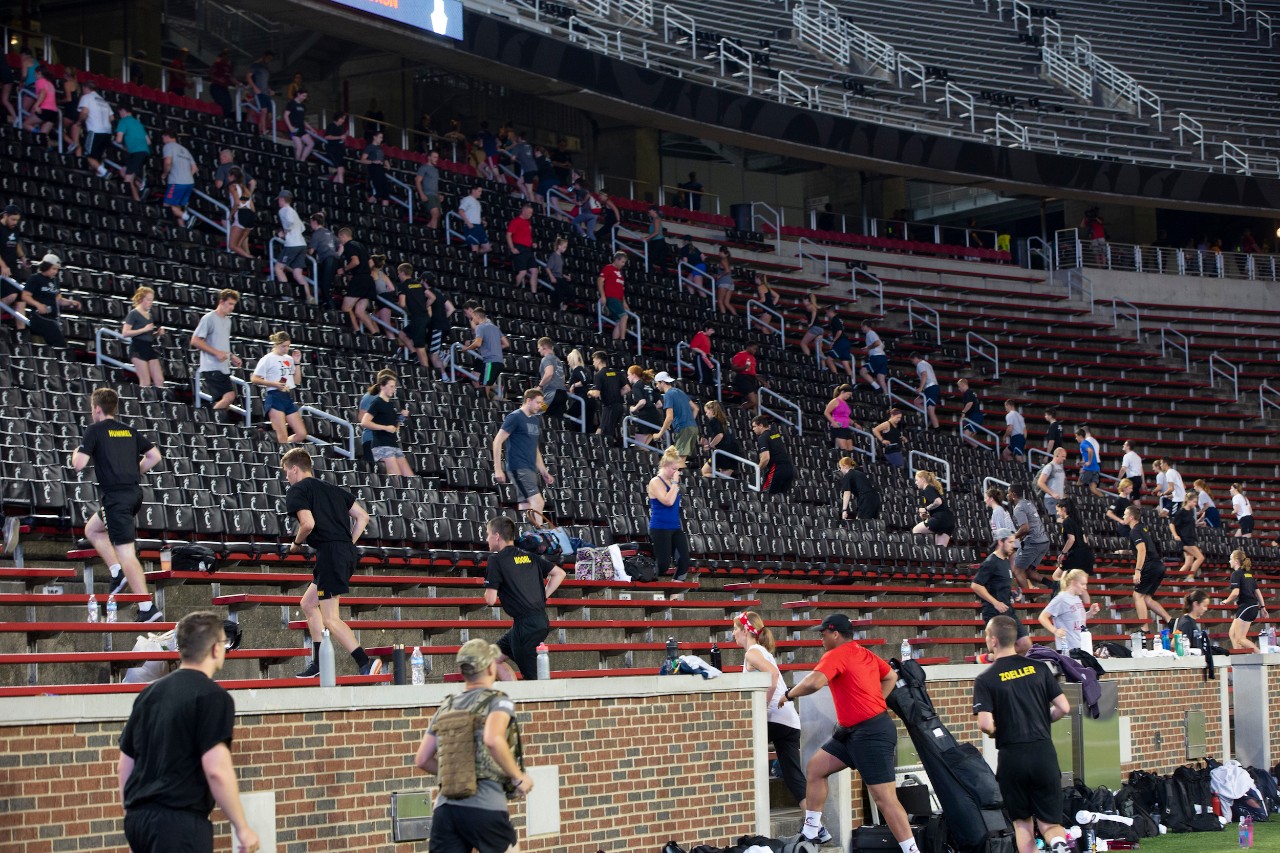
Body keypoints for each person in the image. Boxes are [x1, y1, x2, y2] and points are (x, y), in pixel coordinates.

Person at [118, 611, 260, 853]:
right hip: (179, 824)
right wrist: (242, 827)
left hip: (138, 822)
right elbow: (216, 769)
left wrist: (135, 817)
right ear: (215, 648)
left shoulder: (148, 694)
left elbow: (124, 766)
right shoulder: (212, 696)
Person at [784, 614, 920, 850]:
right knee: (816, 768)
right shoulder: (863, 652)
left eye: (823, 633)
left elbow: (814, 682)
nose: (821, 639)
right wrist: (875, 702)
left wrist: (789, 694)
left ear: (835, 634)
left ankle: (912, 850)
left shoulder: (837, 654)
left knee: (884, 798)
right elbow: (891, 676)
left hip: (871, 734)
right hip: (850, 733)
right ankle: (813, 830)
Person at [412, 638, 532, 852]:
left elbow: (422, 759)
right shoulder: (498, 701)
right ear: (490, 667)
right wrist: (518, 776)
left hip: (445, 809)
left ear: (462, 671)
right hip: (485, 806)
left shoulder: (447, 706)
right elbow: (493, 739)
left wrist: (460, 773)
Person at [973, 615, 1072, 853]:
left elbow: (985, 724)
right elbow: (1063, 708)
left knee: (1022, 823)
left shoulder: (985, 679)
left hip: (1012, 756)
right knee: (1050, 823)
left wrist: (997, 730)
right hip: (1043, 752)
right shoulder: (1040, 668)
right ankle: (1059, 844)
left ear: (993, 640)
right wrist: (1041, 719)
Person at [282, 448, 382, 678]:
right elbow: (363, 517)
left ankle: (365, 663)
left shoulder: (297, 490)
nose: (286, 477)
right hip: (343, 552)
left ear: (295, 469)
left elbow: (307, 524)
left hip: (330, 553)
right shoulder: (333, 488)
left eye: (286, 472)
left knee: (330, 618)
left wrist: (296, 544)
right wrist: (347, 543)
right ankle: (319, 663)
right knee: (308, 604)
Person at [72, 387, 164, 620]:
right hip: (133, 495)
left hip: (116, 499)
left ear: (97, 409)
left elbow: (79, 464)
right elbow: (155, 456)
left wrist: (77, 450)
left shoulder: (94, 430)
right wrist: (135, 471)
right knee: (93, 529)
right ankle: (117, 572)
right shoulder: (128, 430)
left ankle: (147, 608)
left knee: (127, 553)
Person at [733, 611, 805, 807]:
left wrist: (761, 708)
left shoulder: (752, 653)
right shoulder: (763, 652)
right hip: (790, 721)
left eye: (735, 628)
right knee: (794, 777)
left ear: (745, 631)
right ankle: (815, 821)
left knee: (739, 753)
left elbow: (773, 675)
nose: (733, 633)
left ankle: (749, 810)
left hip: (773, 719)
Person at [484, 515, 565, 679]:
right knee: (492, 659)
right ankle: (512, 693)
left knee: (534, 680)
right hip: (539, 621)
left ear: (497, 536)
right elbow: (560, 573)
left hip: (525, 627)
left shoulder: (496, 560)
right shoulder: (530, 557)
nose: (487, 539)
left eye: (488, 534)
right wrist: (543, 596)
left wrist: (488, 587)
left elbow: (490, 600)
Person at [493, 388, 554, 513]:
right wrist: (498, 469)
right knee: (538, 503)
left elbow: (535, 448)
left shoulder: (535, 420)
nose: (540, 406)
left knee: (526, 506)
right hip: (518, 467)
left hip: (530, 468)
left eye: (541, 403)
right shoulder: (515, 417)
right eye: (538, 402)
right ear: (528, 400)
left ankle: (524, 525)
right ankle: (537, 527)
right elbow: (497, 441)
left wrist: (543, 471)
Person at [973, 531, 1032, 656]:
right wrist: (995, 602)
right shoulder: (991, 562)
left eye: (1013, 542)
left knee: (1025, 644)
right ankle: (991, 658)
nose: (1013, 546)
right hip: (994, 612)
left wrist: (1014, 593)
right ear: (1000, 542)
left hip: (1008, 610)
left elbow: (1000, 584)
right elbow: (976, 585)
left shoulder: (1006, 560)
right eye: (1010, 542)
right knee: (1000, 648)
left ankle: (990, 658)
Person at [250, 332, 306, 445]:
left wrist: (297, 363)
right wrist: (273, 384)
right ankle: (282, 450)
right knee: (282, 436)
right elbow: (254, 378)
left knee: (301, 434)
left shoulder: (289, 359)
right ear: (276, 344)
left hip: (287, 397)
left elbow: (296, 381)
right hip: (274, 396)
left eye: (288, 346)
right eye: (283, 346)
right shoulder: (268, 358)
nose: (286, 349)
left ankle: (282, 448)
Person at [190, 289, 242, 412]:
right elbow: (195, 340)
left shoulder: (228, 321)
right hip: (212, 366)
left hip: (223, 366)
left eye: (233, 305)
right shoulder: (209, 318)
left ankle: (213, 420)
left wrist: (231, 356)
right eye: (230, 304)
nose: (232, 307)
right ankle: (208, 418)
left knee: (224, 403)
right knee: (229, 396)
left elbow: (221, 344)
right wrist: (216, 353)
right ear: (221, 302)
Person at [360, 374, 415, 478]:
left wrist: (401, 417)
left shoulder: (391, 404)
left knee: (410, 478)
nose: (394, 389)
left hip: (393, 444)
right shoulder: (376, 403)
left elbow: (394, 427)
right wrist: (385, 428)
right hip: (382, 445)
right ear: (382, 386)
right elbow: (364, 422)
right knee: (396, 478)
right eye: (391, 386)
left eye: (394, 387)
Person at [1124, 506, 1170, 630]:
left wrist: (1137, 571)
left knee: (1137, 596)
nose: (1123, 517)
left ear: (1131, 517)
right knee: (1147, 598)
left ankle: (1144, 630)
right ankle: (1170, 620)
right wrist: (1125, 551)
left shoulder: (1134, 531)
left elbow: (1142, 550)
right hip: (1158, 565)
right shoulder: (1142, 528)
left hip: (1150, 566)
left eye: (1125, 514)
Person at [648, 450, 691, 581]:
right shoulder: (656, 481)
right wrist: (675, 484)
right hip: (660, 527)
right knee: (663, 564)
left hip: (675, 526)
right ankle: (642, 576)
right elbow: (668, 501)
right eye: (674, 469)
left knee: (684, 561)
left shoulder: (672, 483)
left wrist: (674, 484)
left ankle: (676, 589)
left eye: (677, 469)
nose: (676, 472)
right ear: (665, 465)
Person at [22, 253, 81, 348]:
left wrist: (70, 302)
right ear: (45, 266)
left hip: (52, 317)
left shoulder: (55, 281)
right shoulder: (35, 278)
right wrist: (38, 305)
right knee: (59, 342)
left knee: (58, 339)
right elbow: (25, 296)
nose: (55, 272)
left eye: (57, 269)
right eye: (53, 269)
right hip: (39, 317)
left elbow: (58, 300)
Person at [1038, 569, 1100, 652]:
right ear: (1073, 582)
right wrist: (1055, 631)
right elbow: (1042, 617)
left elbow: (1077, 620)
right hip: (1068, 649)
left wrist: (1090, 613)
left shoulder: (1076, 598)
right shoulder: (1061, 598)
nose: (1085, 587)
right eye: (1082, 584)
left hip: (1080, 646)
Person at [122, 286, 166, 390]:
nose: (151, 302)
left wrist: (157, 334)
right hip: (138, 348)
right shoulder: (133, 313)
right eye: (148, 300)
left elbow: (148, 336)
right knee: (145, 382)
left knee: (159, 380)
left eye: (152, 300)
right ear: (141, 299)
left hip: (149, 347)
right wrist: (144, 329)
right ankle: (143, 400)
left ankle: (158, 399)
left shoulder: (149, 314)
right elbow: (125, 333)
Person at [1008, 483, 1049, 593]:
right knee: (1029, 572)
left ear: (1013, 495)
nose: (1007, 495)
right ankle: (1054, 585)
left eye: (1008, 493)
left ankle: (1028, 597)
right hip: (1044, 541)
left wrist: (1013, 537)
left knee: (1017, 570)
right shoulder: (1028, 503)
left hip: (1034, 542)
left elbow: (1025, 528)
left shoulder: (1018, 508)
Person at [1223, 550, 1267, 651]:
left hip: (1246, 607)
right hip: (1252, 607)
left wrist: (1226, 601)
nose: (1229, 561)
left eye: (1230, 559)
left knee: (1240, 639)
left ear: (1236, 561)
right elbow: (1257, 592)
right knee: (1232, 633)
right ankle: (1240, 656)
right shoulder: (1248, 574)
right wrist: (1263, 607)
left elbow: (1235, 592)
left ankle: (1261, 655)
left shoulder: (1236, 574)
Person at [337, 227, 377, 336]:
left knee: (346, 307)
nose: (340, 240)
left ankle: (357, 331)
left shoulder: (348, 246)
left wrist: (344, 270)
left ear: (342, 236)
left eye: (339, 238)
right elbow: (371, 263)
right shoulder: (360, 245)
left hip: (359, 280)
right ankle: (375, 333)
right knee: (359, 311)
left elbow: (355, 262)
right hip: (368, 280)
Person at [272, 190, 311, 298]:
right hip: (302, 244)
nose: (278, 202)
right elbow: (302, 228)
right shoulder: (293, 211)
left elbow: (290, 222)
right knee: (298, 274)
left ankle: (287, 296)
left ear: (282, 199)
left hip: (292, 245)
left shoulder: (283, 210)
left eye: (279, 199)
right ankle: (309, 297)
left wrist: (284, 233)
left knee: (278, 268)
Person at [653, 371, 699, 460]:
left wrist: (659, 434)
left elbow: (669, 417)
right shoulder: (680, 391)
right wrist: (689, 421)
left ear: (662, 382)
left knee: (678, 461)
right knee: (680, 459)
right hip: (693, 427)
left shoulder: (668, 395)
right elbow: (696, 408)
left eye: (657, 383)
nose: (656, 386)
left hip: (684, 428)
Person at [396, 263, 432, 368]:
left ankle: (426, 369)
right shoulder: (419, 284)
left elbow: (402, 304)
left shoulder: (403, 286)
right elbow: (430, 297)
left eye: (398, 273)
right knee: (402, 334)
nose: (398, 275)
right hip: (425, 317)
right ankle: (414, 353)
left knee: (420, 347)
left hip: (418, 319)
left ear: (402, 273)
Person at [77, 80, 114, 178]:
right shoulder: (103, 100)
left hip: (95, 130)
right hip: (107, 132)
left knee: (88, 156)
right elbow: (112, 118)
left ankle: (105, 172)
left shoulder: (86, 97)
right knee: (97, 156)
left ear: (85, 88)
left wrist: (79, 122)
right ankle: (99, 175)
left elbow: (84, 112)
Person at [113, 104, 150, 203]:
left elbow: (119, 139)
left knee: (127, 181)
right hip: (144, 152)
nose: (120, 115)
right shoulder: (138, 123)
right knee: (123, 171)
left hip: (136, 153)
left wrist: (116, 142)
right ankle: (139, 184)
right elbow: (148, 142)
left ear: (123, 110)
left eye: (120, 112)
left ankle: (137, 201)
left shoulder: (123, 121)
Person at [1054, 499, 1094, 586]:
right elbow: (1085, 540)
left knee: (1056, 576)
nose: (1057, 513)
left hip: (1076, 555)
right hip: (1086, 555)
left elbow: (1071, 539)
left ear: (1063, 509)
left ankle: (1068, 591)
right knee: (1080, 584)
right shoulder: (1076, 521)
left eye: (1058, 510)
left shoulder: (1067, 521)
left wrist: (1063, 554)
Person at [587, 350, 626, 440]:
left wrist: (589, 392)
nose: (593, 363)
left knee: (606, 433)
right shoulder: (616, 372)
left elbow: (596, 394)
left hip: (609, 407)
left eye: (594, 360)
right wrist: (616, 394)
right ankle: (596, 444)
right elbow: (627, 388)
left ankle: (604, 447)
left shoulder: (599, 375)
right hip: (620, 407)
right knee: (602, 428)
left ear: (599, 360)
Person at [753, 415, 796, 496]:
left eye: (754, 426)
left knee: (767, 497)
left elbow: (766, 458)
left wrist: (758, 469)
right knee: (783, 498)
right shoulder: (776, 434)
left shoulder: (763, 437)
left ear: (761, 425)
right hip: (789, 469)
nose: (753, 429)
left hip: (777, 469)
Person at [700, 400, 742, 479]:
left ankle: (717, 482)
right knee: (724, 479)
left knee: (704, 471)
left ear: (711, 410)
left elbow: (720, 435)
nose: (706, 414)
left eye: (706, 412)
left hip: (724, 451)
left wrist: (710, 446)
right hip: (734, 451)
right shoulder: (725, 420)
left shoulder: (713, 420)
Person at [912, 470, 954, 546]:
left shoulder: (928, 489)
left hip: (940, 519)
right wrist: (927, 516)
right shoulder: (932, 489)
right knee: (940, 548)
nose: (915, 482)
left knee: (916, 530)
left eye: (917, 480)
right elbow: (939, 508)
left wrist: (925, 509)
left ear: (923, 479)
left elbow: (938, 501)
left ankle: (921, 551)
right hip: (949, 521)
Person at [597, 251, 631, 341]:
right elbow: (600, 281)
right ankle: (623, 339)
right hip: (611, 298)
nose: (623, 264)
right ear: (616, 260)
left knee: (619, 322)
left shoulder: (620, 273)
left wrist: (624, 303)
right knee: (624, 316)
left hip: (618, 300)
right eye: (622, 262)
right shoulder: (608, 268)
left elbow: (621, 290)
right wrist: (603, 296)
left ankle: (615, 342)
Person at [506, 203, 539, 293]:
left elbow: (526, 236)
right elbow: (508, 235)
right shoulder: (515, 221)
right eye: (529, 212)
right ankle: (513, 290)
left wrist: (532, 243)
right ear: (523, 211)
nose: (530, 215)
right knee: (523, 272)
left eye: (531, 213)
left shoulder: (528, 223)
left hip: (528, 249)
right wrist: (512, 248)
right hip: (519, 248)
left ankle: (534, 293)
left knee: (535, 271)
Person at [1169, 495, 1204, 579]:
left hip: (1190, 538)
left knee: (1188, 563)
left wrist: (1199, 523)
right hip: (1185, 540)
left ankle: (1176, 580)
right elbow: (1172, 524)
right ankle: (1190, 577)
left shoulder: (1191, 511)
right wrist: (1175, 535)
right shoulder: (1181, 512)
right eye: (1194, 502)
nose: (1195, 504)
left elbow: (1188, 525)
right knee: (1200, 558)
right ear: (1188, 501)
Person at [225, 167, 255, 260]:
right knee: (239, 246)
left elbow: (237, 203)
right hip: (251, 216)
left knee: (232, 245)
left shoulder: (232, 186)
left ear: (232, 176)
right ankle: (249, 263)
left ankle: (251, 258)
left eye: (228, 175)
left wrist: (231, 214)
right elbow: (253, 207)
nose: (227, 177)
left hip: (241, 214)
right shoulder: (245, 188)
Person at [838, 457, 881, 521]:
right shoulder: (860, 473)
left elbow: (847, 493)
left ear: (845, 466)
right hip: (875, 498)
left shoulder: (848, 475)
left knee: (863, 522)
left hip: (866, 499)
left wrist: (844, 510)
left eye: (840, 467)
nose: (840, 470)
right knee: (871, 522)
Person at [536, 338, 569, 421]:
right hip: (563, 395)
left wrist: (540, 386)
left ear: (544, 347)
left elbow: (549, 373)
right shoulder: (558, 360)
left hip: (552, 394)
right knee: (556, 420)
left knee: (538, 412)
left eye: (539, 348)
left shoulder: (546, 359)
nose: (538, 350)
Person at [245, 50, 274, 137]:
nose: (269, 60)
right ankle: (262, 130)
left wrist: (269, 90)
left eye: (270, 59)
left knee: (269, 114)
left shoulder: (266, 68)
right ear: (264, 56)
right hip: (259, 92)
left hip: (265, 93)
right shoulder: (256, 65)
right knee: (263, 111)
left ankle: (262, 129)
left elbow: (264, 82)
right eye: (268, 58)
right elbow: (248, 76)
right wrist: (254, 87)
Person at [413, 149, 443, 231]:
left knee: (437, 216)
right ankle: (433, 235)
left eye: (437, 157)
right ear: (429, 157)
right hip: (428, 194)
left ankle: (425, 230)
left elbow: (434, 184)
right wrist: (422, 194)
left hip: (435, 195)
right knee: (435, 213)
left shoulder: (436, 170)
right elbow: (417, 181)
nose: (436, 159)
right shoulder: (424, 168)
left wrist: (438, 195)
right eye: (434, 157)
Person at [458, 185, 492, 256]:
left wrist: (481, 221)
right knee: (475, 248)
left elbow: (473, 214)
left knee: (488, 248)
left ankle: (472, 256)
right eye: (479, 191)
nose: (481, 193)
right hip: (471, 226)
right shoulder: (467, 199)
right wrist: (468, 223)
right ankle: (472, 258)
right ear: (473, 191)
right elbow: (461, 211)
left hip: (478, 226)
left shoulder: (477, 202)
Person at [625, 365, 659, 436]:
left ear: (634, 375)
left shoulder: (636, 386)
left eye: (628, 375)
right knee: (653, 440)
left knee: (640, 442)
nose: (627, 377)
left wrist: (634, 409)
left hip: (645, 417)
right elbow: (659, 404)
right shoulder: (648, 384)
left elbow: (642, 401)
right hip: (655, 416)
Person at [857, 319, 888, 393]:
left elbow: (877, 343)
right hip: (882, 357)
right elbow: (881, 345)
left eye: (862, 327)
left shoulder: (870, 333)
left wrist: (868, 348)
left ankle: (877, 387)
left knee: (862, 372)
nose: (861, 328)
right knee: (881, 379)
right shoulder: (873, 334)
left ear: (865, 326)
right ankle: (887, 396)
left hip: (876, 357)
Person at [911, 353, 941, 429]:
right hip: (930, 388)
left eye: (912, 360)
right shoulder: (926, 363)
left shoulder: (920, 364)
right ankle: (929, 415)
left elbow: (924, 375)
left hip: (931, 387)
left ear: (915, 358)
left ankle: (937, 429)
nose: (912, 363)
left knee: (931, 410)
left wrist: (920, 388)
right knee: (917, 402)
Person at [825, 385, 858, 452]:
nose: (848, 396)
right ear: (842, 392)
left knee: (850, 449)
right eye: (848, 394)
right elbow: (826, 412)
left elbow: (846, 416)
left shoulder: (845, 403)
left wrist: (854, 423)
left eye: (850, 395)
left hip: (846, 428)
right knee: (844, 449)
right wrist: (833, 422)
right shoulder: (835, 401)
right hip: (839, 427)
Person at [1036, 446, 1067, 517]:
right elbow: (1040, 482)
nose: (1064, 458)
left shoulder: (1060, 467)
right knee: (1058, 519)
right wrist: (1052, 493)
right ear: (1057, 455)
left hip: (1059, 500)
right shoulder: (1049, 467)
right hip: (1051, 499)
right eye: (1063, 456)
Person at [360, 130, 390, 205]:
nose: (381, 139)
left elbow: (383, 158)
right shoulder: (369, 147)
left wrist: (386, 162)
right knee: (380, 192)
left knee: (385, 193)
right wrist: (373, 162)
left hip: (381, 169)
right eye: (380, 137)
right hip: (374, 169)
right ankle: (367, 204)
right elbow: (362, 160)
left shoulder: (380, 148)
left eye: (382, 138)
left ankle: (385, 210)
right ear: (374, 137)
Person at [730, 341, 762, 410]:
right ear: (748, 347)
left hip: (752, 379)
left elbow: (753, 372)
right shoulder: (740, 355)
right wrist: (743, 368)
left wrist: (762, 381)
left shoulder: (753, 358)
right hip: (743, 378)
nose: (755, 351)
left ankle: (757, 417)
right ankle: (738, 411)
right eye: (754, 349)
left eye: (756, 349)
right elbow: (733, 368)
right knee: (752, 401)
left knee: (756, 403)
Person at [1075, 426, 1104, 498]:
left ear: (1080, 436)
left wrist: (1089, 462)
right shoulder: (1091, 442)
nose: (1076, 438)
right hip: (1096, 468)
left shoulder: (1083, 443)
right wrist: (1081, 463)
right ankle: (1104, 500)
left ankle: (1075, 502)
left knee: (1078, 486)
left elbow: (1090, 451)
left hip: (1089, 469)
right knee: (1093, 489)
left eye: (1076, 436)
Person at [285, 89, 313, 161]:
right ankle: (297, 162)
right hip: (294, 128)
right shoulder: (291, 103)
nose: (304, 98)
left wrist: (310, 128)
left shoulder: (303, 106)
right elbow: (286, 115)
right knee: (299, 146)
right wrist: (290, 127)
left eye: (305, 96)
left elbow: (303, 120)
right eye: (303, 96)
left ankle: (302, 160)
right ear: (298, 94)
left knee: (311, 144)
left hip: (301, 128)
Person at [322, 113, 348, 183]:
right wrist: (340, 137)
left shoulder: (340, 128)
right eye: (342, 119)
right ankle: (341, 187)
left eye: (344, 119)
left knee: (342, 170)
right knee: (340, 169)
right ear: (338, 118)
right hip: (333, 150)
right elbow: (327, 137)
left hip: (339, 151)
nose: (343, 121)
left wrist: (342, 138)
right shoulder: (331, 126)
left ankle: (335, 185)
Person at [209, 48, 234, 116]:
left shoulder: (229, 66)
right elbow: (210, 74)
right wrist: (218, 79)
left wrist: (239, 84)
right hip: (216, 86)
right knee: (222, 104)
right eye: (227, 56)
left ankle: (224, 118)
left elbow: (230, 77)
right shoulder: (217, 64)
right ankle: (218, 117)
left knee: (229, 105)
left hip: (224, 87)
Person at [713, 247, 737, 316]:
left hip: (724, 283)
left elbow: (727, 271)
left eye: (720, 252)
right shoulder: (728, 260)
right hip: (730, 283)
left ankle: (724, 317)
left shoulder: (723, 260)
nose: (719, 253)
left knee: (720, 301)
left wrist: (719, 276)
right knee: (726, 303)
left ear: (724, 253)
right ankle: (737, 316)